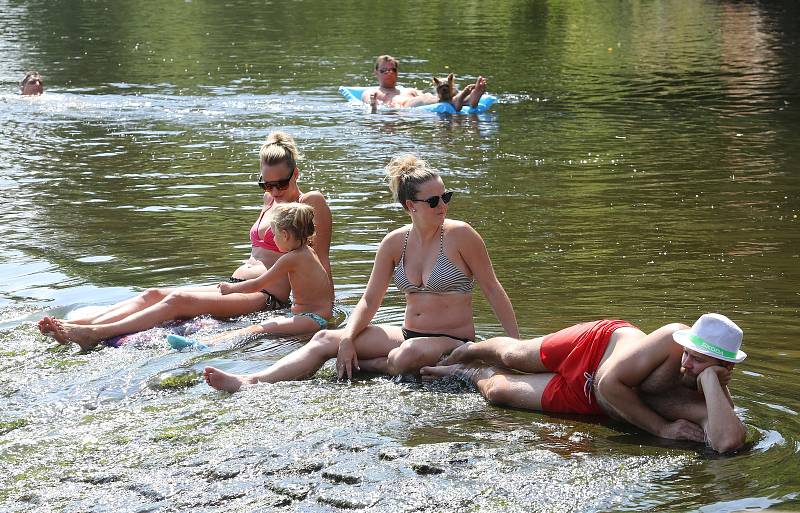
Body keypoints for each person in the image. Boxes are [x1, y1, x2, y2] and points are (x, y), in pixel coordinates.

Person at [204, 154, 519, 392]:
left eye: (445, 197)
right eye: (434, 200)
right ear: (412, 205)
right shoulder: (395, 242)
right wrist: (348, 339)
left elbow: (492, 288)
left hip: (451, 339)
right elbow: (370, 300)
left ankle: (391, 364)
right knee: (326, 337)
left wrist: (514, 348)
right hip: (407, 333)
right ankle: (251, 381)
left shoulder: (461, 235)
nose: (443, 205)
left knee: (404, 356)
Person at [38, 131, 333, 350]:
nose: (273, 189)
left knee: (177, 301)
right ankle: (82, 326)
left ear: (295, 174)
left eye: (280, 183)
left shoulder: (308, 202)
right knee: (153, 292)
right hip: (236, 285)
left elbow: (320, 260)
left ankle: (94, 335)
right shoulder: (269, 199)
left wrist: (325, 310)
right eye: (266, 183)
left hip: (265, 296)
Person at [420, 313, 748, 453]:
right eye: (688, 353)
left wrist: (708, 380)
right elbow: (609, 384)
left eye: (699, 361)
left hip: (592, 398)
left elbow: (728, 442)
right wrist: (661, 430)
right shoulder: (670, 339)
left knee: (499, 392)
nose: (687, 362)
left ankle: (469, 373)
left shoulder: (711, 397)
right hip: (598, 347)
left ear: (724, 367)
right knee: (516, 356)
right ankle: (468, 351)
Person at [167, 203, 332, 350]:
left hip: (311, 319)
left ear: (285, 235)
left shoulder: (291, 258)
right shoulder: (308, 252)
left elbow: (257, 285)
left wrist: (231, 288)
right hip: (316, 315)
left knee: (257, 329)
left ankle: (205, 345)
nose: (273, 240)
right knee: (259, 326)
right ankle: (207, 341)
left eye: (274, 235)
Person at [361, 55, 487, 110]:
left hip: (424, 103)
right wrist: (373, 105)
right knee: (423, 98)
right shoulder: (371, 92)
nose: (389, 72)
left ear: (397, 72)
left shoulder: (409, 90)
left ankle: (470, 99)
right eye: (384, 70)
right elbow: (372, 109)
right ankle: (461, 99)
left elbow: (432, 96)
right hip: (404, 109)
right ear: (375, 72)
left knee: (427, 95)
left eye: (392, 69)